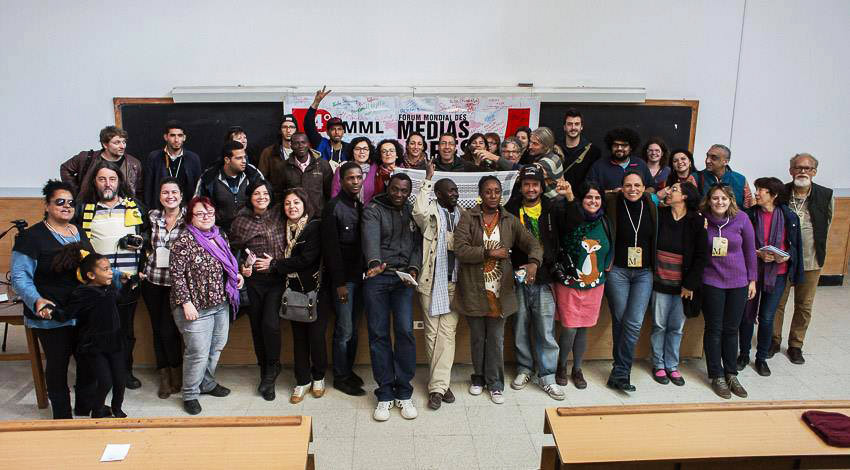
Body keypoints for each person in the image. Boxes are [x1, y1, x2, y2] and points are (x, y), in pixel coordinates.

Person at [10, 180, 95, 419]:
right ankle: (62, 416)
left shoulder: (78, 231)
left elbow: (92, 265)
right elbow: (19, 277)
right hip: (51, 313)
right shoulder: (31, 237)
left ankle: (84, 408)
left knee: (88, 360)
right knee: (58, 364)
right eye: (60, 202)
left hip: (82, 310)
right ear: (47, 205)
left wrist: (118, 276)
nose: (67, 206)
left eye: (71, 203)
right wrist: (36, 300)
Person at [453, 176, 542, 404]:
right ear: (480, 194)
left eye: (496, 191)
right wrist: (489, 253)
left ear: (501, 194)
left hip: (499, 291)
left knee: (495, 339)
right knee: (477, 338)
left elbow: (532, 243)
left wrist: (534, 262)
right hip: (473, 289)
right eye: (488, 191)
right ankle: (478, 378)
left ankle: (495, 384)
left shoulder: (509, 220)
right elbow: (460, 250)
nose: (493, 196)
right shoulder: (468, 217)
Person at [76, 161, 148, 390]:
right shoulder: (84, 209)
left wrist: (140, 241)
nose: (108, 184)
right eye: (102, 179)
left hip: (128, 281)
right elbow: (77, 241)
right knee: (96, 330)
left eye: (112, 179)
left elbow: (149, 234)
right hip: (97, 284)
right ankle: (99, 376)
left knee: (125, 331)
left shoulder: (134, 206)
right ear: (94, 182)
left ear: (119, 182)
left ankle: (124, 372)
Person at [169, 196, 244, 415]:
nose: (206, 217)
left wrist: (236, 276)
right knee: (198, 353)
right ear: (190, 217)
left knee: (216, 347)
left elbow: (226, 264)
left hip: (220, 303)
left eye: (209, 213)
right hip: (194, 307)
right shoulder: (183, 240)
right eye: (200, 213)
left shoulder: (219, 235)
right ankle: (190, 394)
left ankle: (206, 383)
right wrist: (186, 303)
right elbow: (176, 276)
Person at [362, 173, 422, 421]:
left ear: (409, 192)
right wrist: (374, 263)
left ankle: (404, 391)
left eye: (404, 191)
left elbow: (418, 244)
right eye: (395, 189)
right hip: (377, 277)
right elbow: (370, 238)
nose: (399, 194)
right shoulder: (373, 209)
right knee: (378, 334)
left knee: (405, 331)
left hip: (402, 279)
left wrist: (413, 268)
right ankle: (385, 392)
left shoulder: (411, 211)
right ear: (388, 187)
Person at [504, 166, 564, 400]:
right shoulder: (511, 209)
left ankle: (547, 376)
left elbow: (571, 226)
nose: (531, 189)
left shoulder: (552, 207)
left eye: (535, 184)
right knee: (520, 326)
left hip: (545, 278)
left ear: (542, 187)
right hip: (518, 277)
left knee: (545, 330)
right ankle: (524, 369)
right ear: (520, 187)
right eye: (527, 184)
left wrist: (569, 198)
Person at [771, 153, 834, 364]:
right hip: (783, 260)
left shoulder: (825, 195)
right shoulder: (781, 193)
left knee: (804, 306)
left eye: (807, 168)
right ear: (791, 170)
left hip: (811, 260)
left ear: (814, 171)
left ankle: (796, 345)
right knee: (777, 303)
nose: (802, 172)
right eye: (798, 167)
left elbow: (828, 223)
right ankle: (773, 340)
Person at [412, 162, 464, 410]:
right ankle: (441, 385)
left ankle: (437, 386)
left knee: (447, 334)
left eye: (456, 190)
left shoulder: (464, 215)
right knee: (432, 334)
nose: (455, 194)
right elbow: (418, 210)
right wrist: (428, 179)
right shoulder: (430, 213)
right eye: (450, 191)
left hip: (456, 283)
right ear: (439, 194)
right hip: (431, 282)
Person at [738, 177, 803, 376]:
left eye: (761, 190)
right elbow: (740, 243)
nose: (756, 193)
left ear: (773, 195)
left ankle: (761, 358)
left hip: (778, 274)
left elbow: (795, 246)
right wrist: (757, 253)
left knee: (767, 317)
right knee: (747, 315)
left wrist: (787, 256)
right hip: (752, 273)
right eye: (757, 189)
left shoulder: (789, 217)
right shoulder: (749, 215)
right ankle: (743, 354)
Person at [551, 182, 612, 389]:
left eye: (597, 197)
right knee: (569, 328)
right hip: (569, 284)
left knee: (584, 328)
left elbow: (611, 246)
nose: (593, 201)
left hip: (595, 285)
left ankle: (577, 369)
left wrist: (605, 268)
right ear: (581, 199)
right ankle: (561, 366)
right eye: (589, 197)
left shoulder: (605, 221)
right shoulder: (570, 217)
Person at [63, 251, 139, 418]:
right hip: (94, 345)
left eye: (110, 268)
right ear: (91, 275)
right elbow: (67, 313)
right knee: (105, 381)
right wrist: (49, 311)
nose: (111, 272)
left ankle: (117, 408)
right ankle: (97, 410)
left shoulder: (110, 288)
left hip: (115, 342)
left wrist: (128, 284)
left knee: (120, 379)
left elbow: (120, 299)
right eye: (105, 269)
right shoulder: (81, 294)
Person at [229, 180, 286, 401]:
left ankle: (272, 368)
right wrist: (242, 267)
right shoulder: (241, 221)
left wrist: (276, 263)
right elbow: (232, 250)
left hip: (277, 279)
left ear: (271, 195)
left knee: (270, 324)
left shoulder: (280, 214)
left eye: (265, 193)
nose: (261, 197)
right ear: (249, 197)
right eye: (256, 193)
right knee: (256, 327)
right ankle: (265, 371)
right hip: (253, 282)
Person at [701, 184, 757, 399]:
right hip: (712, 281)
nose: (720, 202)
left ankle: (731, 374)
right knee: (714, 329)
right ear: (709, 200)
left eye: (724, 198)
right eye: (715, 198)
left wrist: (752, 280)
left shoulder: (741, 219)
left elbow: (750, 251)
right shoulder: (702, 219)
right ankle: (717, 375)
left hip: (738, 282)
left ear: (731, 200)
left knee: (732, 329)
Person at [273, 188, 328, 404]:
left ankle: (319, 377)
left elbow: (307, 259)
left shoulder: (314, 226)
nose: (292, 207)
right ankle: (302, 380)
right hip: (293, 290)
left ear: (305, 204)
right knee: (299, 338)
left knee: (316, 336)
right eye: (288, 203)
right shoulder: (282, 228)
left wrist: (276, 264)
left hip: (315, 290)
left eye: (296, 202)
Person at [649, 182, 707, 386]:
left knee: (676, 327)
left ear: (684, 197)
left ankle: (672, 365)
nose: (669, 192)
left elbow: (701, 256)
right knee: (659, 325)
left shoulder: (696, 221)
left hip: (683, 286)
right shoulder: (660, 215)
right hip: (659, 282)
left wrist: (690, 285)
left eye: (674, 189)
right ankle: (658, 364)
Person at [603, 171, 657, 392]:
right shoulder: (612, 202)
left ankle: (620, 371)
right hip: (618, 271)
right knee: (619, 319)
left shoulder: (652, 206)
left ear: (644, 187)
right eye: (628, 185)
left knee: (633, 322)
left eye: (637, 185)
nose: (632, 189)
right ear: (621, 187)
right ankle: (621, 371)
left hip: (644, 273)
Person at [322, 162, 368, 396]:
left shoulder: (359, 205)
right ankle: (340, 377)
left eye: (359, 177)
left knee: (354, 329)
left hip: (360, 279)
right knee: (344, 330)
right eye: (351, 178)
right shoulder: (333, 207)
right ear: (341, 181)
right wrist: (339, 284)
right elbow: (331, 250)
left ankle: (348, 371)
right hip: (343, 282)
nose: (356, 181)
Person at [140, 178, 187, 399]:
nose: (170, 196)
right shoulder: (152, 217)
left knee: (171, 330)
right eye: (165, 192)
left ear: (181, 195)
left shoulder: (189, 218)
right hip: (152, 281)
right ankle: (165, 376)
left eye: (174, 192)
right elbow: (141, 242)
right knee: (157, 330)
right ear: (160, 196)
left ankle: (177, 371)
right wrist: (140, 267)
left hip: (177, 285)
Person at [194, 141, 264, 232]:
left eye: (244, 157)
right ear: (227, 160)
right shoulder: (208, 178)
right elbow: (197, 205)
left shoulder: (253, 173)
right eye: (239, 158)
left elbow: (265, 198)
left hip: (249, 228)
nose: (244, 161)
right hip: (218, 231)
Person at [60, 125, 143, 200]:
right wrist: (76, 192)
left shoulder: (134, 163)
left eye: (124, 142)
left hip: (123, 208)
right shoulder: (86, 158)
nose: (122, 146)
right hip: (91, 207)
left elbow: (139, 191)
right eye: (117, 143)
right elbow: (65, 168)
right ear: (105, 145)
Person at [142, 120, 201, 208]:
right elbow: (148, 187)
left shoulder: (193, 158)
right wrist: (149, 209)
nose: (176, 140)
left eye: (180, 135)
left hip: (185, 208)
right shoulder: (154, 157)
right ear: (166, 137)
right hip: (160, 208)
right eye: (172, 135)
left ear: (184, 137)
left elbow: (198, 188)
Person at [278, 132, 334, 214]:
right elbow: (279, 193)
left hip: (318, 216)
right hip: (294, 215)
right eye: (296, 143)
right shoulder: (283, 167)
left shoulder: (322, 164)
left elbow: (330, 192)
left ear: (308, 144)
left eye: (303, 142)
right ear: (291, 146)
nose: (300, 146)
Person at [587, 127, 654, 193]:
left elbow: (652, 187)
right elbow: (588, 190)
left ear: (631, 147)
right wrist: (612, 192)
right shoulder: (599, 166)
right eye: (616, 145)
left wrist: (640, 194)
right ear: (611, 146)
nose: (619, 148)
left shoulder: (640, 164)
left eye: (624, 145)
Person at [304, 86, 350, 170]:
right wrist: (316, 102)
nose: (336, 132)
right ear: (327, 132)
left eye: (339, 129)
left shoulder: (349, 148)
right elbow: (308, 125)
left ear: (343, 131)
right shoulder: (321, 144)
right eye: (333, 129)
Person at [696, 144, 753, 209]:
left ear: (726, 162)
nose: (707, 161)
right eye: (707, 156)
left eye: (714, 158)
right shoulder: (696, 178)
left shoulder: (741, 180)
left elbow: (748, 208)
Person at [258, 114, 299, 201]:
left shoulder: (303, 152)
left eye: (292, 127)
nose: (288, 130)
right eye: (285, 127)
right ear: (280, 130)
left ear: (296, 130)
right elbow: (261, 178)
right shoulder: (269, 152)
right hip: (276, 200)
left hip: (297, 199)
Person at [560, 108, 601, 190]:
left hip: (583, 196)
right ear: (564, 127)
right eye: (569, 124)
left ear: (581, 127)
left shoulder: (593, 152)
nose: (573, 127)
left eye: (577, 124)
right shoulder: (555, 148)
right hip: (558, 195)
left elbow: (594, 180)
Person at [331, 137, 379, 205]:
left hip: (370, 210)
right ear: (352, 151)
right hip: (345, 209)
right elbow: (335, 194)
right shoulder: (343, 168)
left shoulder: (375, 168)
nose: (362, 152)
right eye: (358, 149)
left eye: (365, 149)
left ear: (370, 151)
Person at [524, 127, 566, 199]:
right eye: (530, 142)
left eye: (535, 144)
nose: (530, 146)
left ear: (546, 146)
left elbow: (528, 170)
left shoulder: (550, 161)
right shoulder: (540, 156)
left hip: (554, 203)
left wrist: (501, 160)